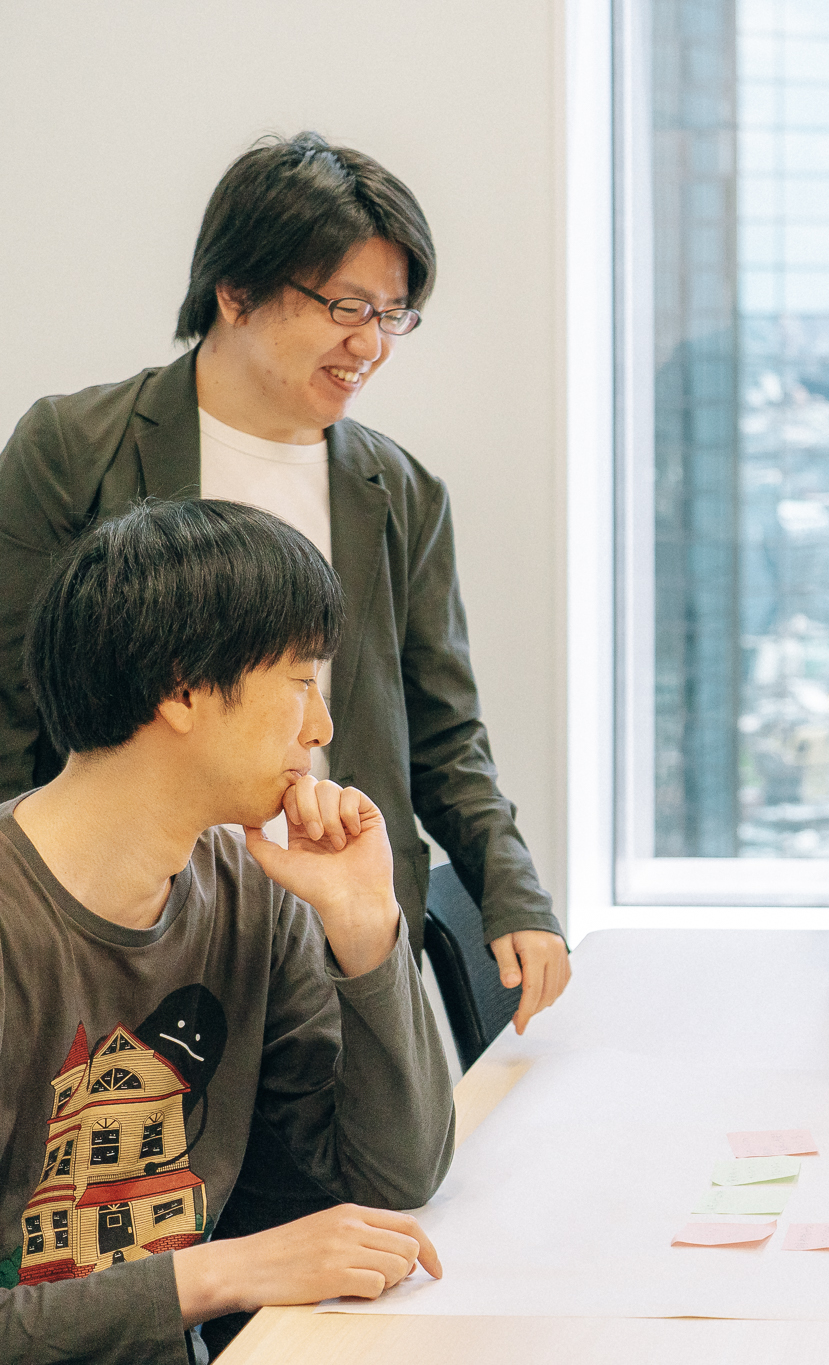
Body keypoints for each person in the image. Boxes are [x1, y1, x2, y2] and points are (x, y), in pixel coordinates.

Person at [0, 131, 568, 1025]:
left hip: (331, 923)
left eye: (392, 314)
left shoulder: (400, 490)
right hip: (127, 933)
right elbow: (9, 705)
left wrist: (515, 894)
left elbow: (445, 730)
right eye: (346, 305)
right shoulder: (74, 449)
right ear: (236, 291)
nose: (370, 343)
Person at [0, 500, 454, 1363]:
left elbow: (397, 1175)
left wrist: (365, 925)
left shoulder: (248, 890)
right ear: (182, 689)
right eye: (300, 681)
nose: (321, 727)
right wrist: (218, 1273)